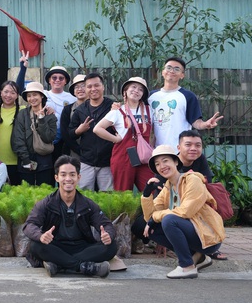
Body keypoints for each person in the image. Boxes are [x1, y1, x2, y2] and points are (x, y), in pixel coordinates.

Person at [23, 155, 117, 278]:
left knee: (112, 246)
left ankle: (60, 265)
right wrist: (41, 236)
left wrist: (108, 235)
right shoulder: (46, 203)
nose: (68, 179)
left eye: (72, 175)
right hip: (55, 246)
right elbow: (29, 225)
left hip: (82, 248)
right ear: (56, 178)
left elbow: (106, 224)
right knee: (35, 245)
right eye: (63, 175)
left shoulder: (87, 204)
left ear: (78, 177)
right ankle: (85, 267)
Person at [141, 145, 226, 279]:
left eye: (165, 161)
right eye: (157, 164)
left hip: (208, 237)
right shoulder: (168, 187)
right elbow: (149, 217)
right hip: (193, 234)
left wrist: (155, 218)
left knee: (169, 220)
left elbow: (186, 211)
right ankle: (197, 257)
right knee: (149, 228)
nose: (162, 166)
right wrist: (146, 195)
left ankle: (187, 266)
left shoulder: (192, 180)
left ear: (176, 162)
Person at [93, 77, 154, 191]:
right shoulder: (117, 111)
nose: (136, 91)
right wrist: (115, 139)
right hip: (123, 157)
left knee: (152, 191)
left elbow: (152, 134)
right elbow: (97, 129)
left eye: (141, 89)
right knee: (123, 193)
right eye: (133, 87)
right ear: (125, 90)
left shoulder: (149, 110)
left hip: (144, 157)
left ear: (143, 94)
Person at [149, 56, 223, 148]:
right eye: (169, 67)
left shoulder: (188, 96)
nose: (172, 71)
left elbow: (196, 122)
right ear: (163, 72)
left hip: (180, 151)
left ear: (182, 75)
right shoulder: (151, 96)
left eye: (177, 69)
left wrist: (205, 124)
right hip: (156, 151)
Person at [68, 73, 115, 191]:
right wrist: (79, 130)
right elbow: (70, 134)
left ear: (103, 87)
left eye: (96, 85)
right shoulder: (80, 110)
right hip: (86, 161)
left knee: (107, 196)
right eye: (89, 86)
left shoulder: (112, 107)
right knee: (84, 194)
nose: (93, 89)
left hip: (107, 161)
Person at [11, 81, 57, 186]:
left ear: (42, 96)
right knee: (26, 193)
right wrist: (26, 159)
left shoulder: (50, 115)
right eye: (29, 96)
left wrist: (41, 119)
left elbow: (48, 137)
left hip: (45, 160)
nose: (32, 98)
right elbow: (18, 138)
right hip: (26, 159)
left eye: (35, 94)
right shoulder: (22, 114)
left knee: (45, 193)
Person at [0, 80, 24, 185]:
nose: (8, 95)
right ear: (0, 92)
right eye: (6, 92)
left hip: (16, 161)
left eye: (12, 92)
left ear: (17, 95)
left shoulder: (23, 111)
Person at [44, 65, 78, 160]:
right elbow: (21, 91)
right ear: (49, 81)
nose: (57, 80)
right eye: (54, 78)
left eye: (61, 78)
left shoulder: (72, 98)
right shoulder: (43, 94)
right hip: (47, 138)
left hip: (66, 139)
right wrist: (23, 67)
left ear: (65, 81)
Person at [61, 74, 87, 159]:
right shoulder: (68, 109)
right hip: (73, 153)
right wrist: (79, 150)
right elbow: (65, 133)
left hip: (94, 153)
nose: (80, 89)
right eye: (76, 87)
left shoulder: (97, 108)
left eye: (83, 85)